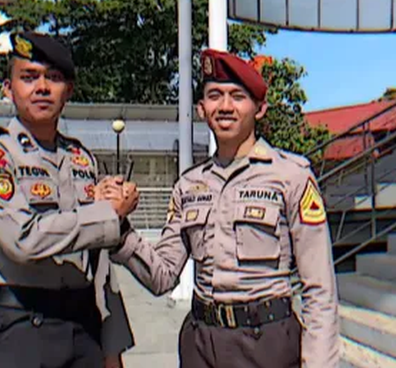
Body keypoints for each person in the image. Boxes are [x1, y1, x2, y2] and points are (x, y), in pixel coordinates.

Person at [110, 49, 339, 368]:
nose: (225, 106)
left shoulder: (291, 176)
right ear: (202, 109)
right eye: (214, 95)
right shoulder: (189, 186)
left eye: (237, 96)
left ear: (259, 108)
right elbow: (162, 276)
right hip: (201, 344)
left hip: (266, 344)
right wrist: (118, 229)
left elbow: (320, 289)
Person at [0, 32, 139, 368]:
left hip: (82, 325)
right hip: (18, 324)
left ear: (68, 91)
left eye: (54, 78)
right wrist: (107, 216)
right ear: (7, 88)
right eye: (28, 77)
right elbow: (23, 240)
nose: (41, 87)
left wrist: (112, 343)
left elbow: (97, 261)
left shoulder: (81, 158)